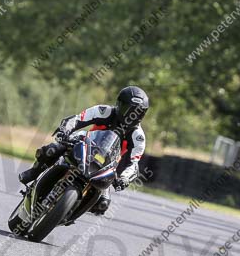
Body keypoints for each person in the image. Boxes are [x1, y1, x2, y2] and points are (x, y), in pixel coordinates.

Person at [18, 86, 149, 216]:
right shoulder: (104, 111)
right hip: (84, 142)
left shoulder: (138, 137)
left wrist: (124, 178)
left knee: (103, 204)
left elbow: (133, 163)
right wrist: (65, 130)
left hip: (107, 164)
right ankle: (34, 172)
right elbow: (78, 119)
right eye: (128, 110)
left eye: (138, 113)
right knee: (51, 150)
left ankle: (70, 210)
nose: (131, 116)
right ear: (119, 104)